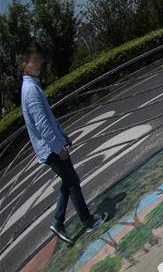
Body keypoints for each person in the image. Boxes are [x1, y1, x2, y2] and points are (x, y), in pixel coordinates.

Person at [20, 43, 107, 245]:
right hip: (51, 149)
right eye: (34, 61)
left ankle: (58, 222)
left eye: (39, 59)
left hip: (52, 146)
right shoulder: (31, 90)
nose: (39, 63)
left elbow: (47, 119)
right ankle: (87, 221)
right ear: (25, 65)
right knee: (72, 182)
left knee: (69, 181)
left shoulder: (31, 87)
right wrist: (58, 147)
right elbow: (42, 124)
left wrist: (62, 136)